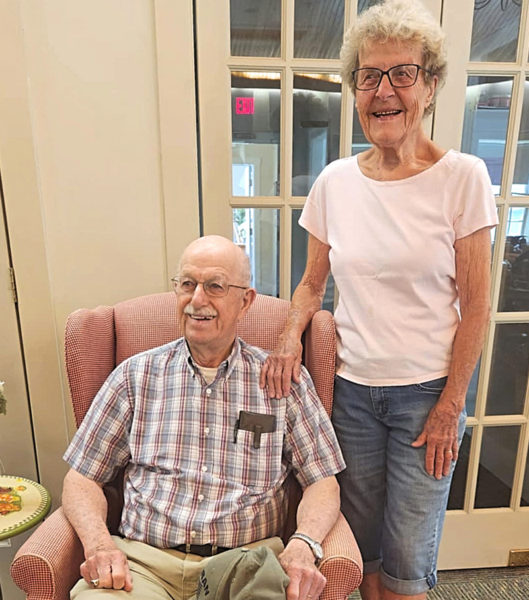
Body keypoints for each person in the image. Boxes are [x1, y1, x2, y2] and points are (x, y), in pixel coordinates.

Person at [260, 1, 498, 599]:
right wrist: (289, 337)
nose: (383, 90)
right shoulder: (335, 182)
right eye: (369, 76)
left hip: (427, 398)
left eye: (402, 73)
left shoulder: (463, 178)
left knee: (408, 559)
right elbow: (312, 282)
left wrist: (451, 406)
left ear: (431, 84)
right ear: (356, 90)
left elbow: (477, 305)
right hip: (355, 397)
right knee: (359, 548)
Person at [62, 235, 346, 600]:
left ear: (246, 301)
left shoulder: (281, 380)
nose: (197, 300)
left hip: (246, 567)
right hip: (144, 567)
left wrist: (304, 544)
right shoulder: (135, 376)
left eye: (214, 286)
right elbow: (82, 478)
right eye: (187, 284)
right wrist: (100, 545)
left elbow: (322, 481)